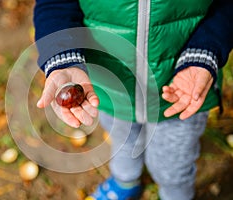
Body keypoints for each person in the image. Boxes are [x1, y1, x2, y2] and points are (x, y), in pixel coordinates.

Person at [33, 0, 233, 199]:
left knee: (172, 164)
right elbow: (54, 3)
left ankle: (175, 194)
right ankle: (125, 180)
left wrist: (205, 49)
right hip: (111, 88)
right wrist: (62, 57)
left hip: (180, 93)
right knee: (122, 141)